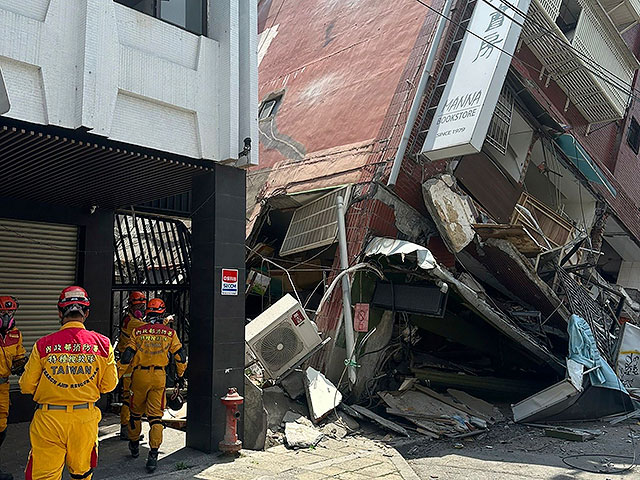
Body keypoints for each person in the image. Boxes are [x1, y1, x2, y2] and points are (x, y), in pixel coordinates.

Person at [19, 286, 118, 480]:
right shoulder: (103, 344)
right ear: (87, 313)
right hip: (85, 420)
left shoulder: (43, 345)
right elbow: (109, 385)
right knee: (81, 475)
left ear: (59, 312)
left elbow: (26, 386)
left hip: (48, 419)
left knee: (44, 476)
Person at [119, 298, 187, 473]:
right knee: (155, 417)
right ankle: (153, 455)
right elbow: (180, 356)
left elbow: (126, 356)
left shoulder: (138, 331)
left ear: (147, 312)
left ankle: (134, 444)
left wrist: (116, 375)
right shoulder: (169, 334)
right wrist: (180, 376)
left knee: (135, 414)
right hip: (159, 377)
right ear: (162, 313)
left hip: (139, 376)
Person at [0, 297, 26, 480]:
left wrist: (22, 365)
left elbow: (19, 356)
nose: (7, 317)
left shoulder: (15, 334)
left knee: (1, 428)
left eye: (10, 313)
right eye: (3, 313)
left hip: (3, 387)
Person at [117, 291, 147, 440]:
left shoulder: (132, 318)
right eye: (138, 306)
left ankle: (131, 428)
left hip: (134, 362)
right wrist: (164, 322)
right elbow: (146, 328)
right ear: (131, 305)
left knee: (134, 397)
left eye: (143, 305)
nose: (141, 309)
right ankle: (125, 428)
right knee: (127, 398)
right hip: (127, 363)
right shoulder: (131, 321)